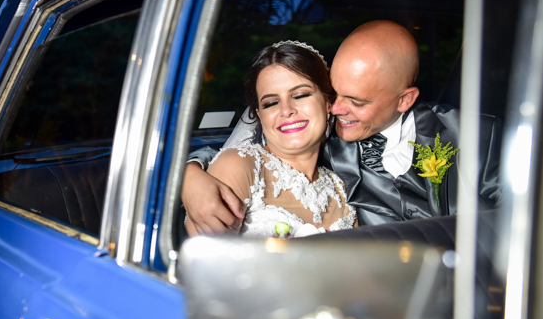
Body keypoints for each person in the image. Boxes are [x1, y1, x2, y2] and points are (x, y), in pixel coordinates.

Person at [184, 20, 502, 234]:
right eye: (334, 95)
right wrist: (191, 173)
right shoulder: (329, 141)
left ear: (404, 100)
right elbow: (247, 147)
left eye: (357, 102)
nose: (337, 109)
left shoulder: (478, 137)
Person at [201, 41, 356, 238]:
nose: (286, 110)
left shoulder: (341, 191)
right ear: (259, 115)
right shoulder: (241, 167)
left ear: (327, 102)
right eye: (271, 103)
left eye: (300, 95)